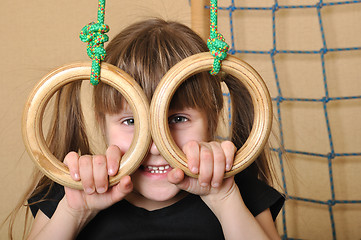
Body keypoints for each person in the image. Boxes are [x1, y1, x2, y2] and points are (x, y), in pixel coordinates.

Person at [9, 18, 284, 239]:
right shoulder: (70, 194)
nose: (155, 146)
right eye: (131, 122)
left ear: (213, 119)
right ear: (102, 123)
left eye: (177, 119)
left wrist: (224, 200)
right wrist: (73, 213)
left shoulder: (238, 193)